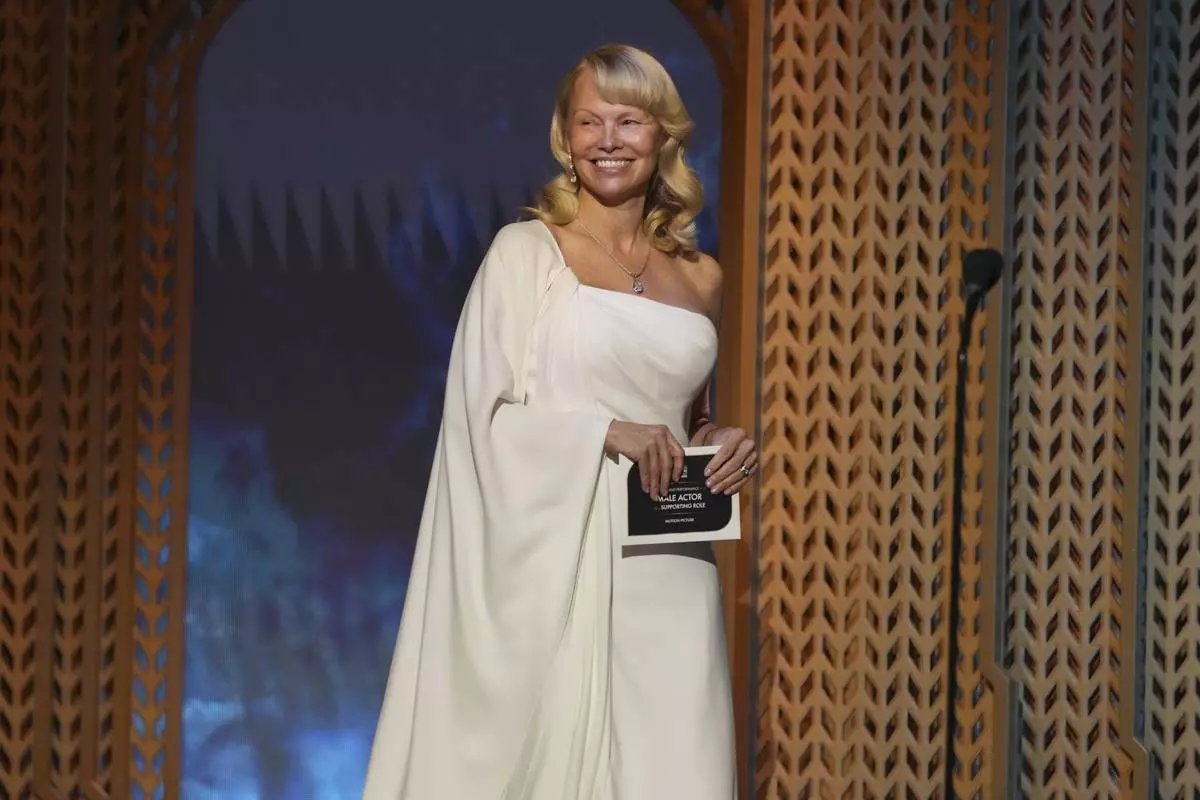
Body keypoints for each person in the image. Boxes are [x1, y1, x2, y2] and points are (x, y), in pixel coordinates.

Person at [362, 43, 758, 799]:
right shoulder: (525, 254)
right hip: (553, 565)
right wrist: (603, 432)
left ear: (663, 134)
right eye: (589, 121)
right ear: (565, 136)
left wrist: (719, 442)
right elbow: (479, 421)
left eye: (629, 120)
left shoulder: (701, 277)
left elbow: (689, 417)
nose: (608, 140)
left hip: (668, 566)